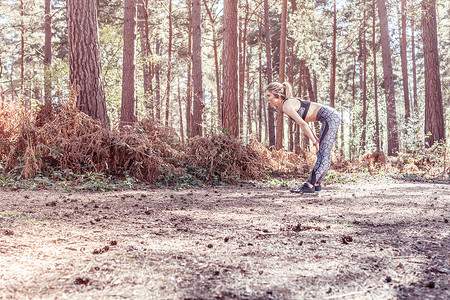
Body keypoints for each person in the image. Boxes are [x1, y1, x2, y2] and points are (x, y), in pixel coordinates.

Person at [266, 81, 341, 195]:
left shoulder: (287, 105)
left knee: (323, 153)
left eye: (268, 96)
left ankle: (310, 185)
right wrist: (315, 139)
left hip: (330, 117)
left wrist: (315, 142)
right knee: (322, 153)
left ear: (278, 96)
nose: (267, 99)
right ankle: (316, 184)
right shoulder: (286, 104)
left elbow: (303, 124)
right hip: (330, 117)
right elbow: (305, 123)